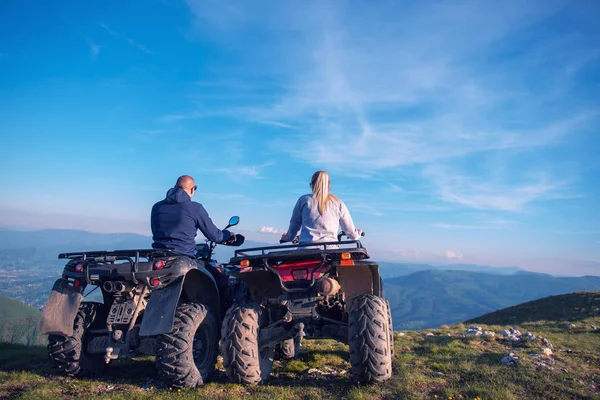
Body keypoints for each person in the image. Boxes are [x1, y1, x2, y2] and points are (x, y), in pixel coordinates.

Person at [151, 175, 236, 256]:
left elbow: (155, 231)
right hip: (183, 257)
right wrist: (228, 235)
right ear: (192, 190)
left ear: (174, 186)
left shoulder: (157, 207)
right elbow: (215, 236)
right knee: (214, 271)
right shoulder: (195, 208)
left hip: (156, 257)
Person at [281, 171, 362, 244]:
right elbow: (351, 233)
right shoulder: (338, 203)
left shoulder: (304, 200)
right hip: (331, 250)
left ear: (312, 185)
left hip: (305, 249)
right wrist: (357, 233)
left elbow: (294, 226)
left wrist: (288, 238)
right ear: (329, 185)